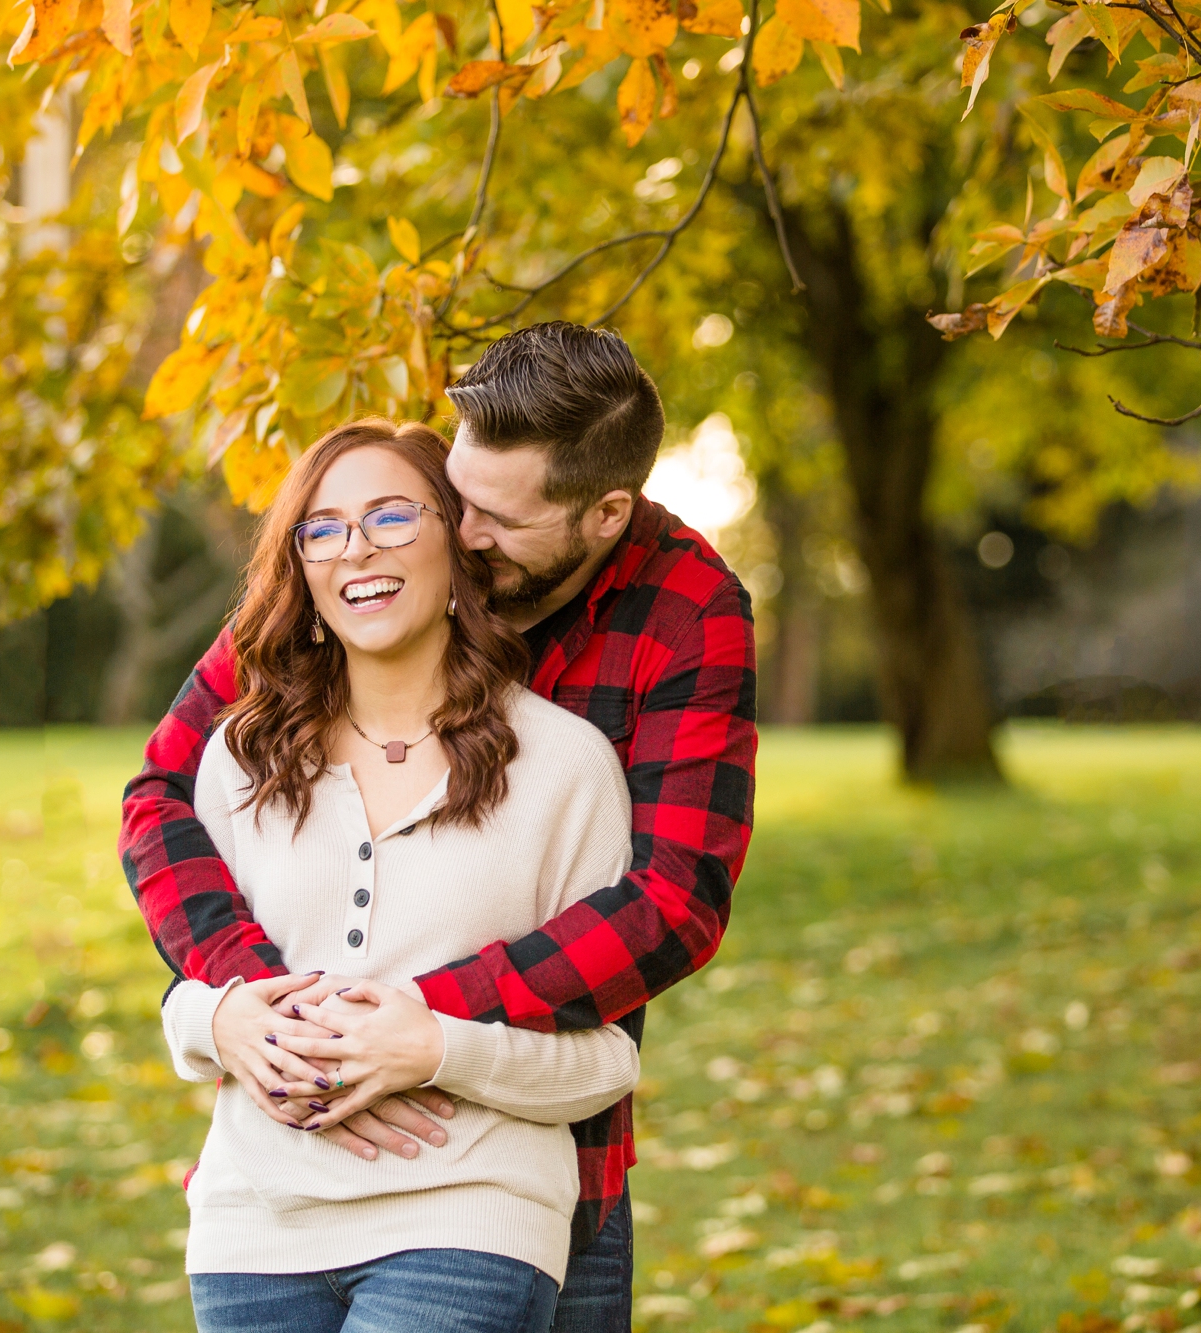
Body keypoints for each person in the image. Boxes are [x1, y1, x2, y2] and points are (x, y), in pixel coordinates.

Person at [121, 323, 759, 1331]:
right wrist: (258, 997)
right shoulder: (364, 566)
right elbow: (161, 794)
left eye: (495, 519)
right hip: (286, 1189)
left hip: (526, 1153)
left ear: (602, 513)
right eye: (453, 498)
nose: (457, 535)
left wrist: (416, 1020)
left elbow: (670, 904)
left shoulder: (683, 611)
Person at [164, 418, 641, 1331]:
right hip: (253, 1221)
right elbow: (193, 991)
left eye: (391, 517)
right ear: (301, 569)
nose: (356, 550)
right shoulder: (241, 755)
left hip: (469, 1215)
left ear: (458, 547)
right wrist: (215, 1020)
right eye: (324, 527)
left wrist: (437, 1049)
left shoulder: (563, 765)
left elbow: (607, 1061)